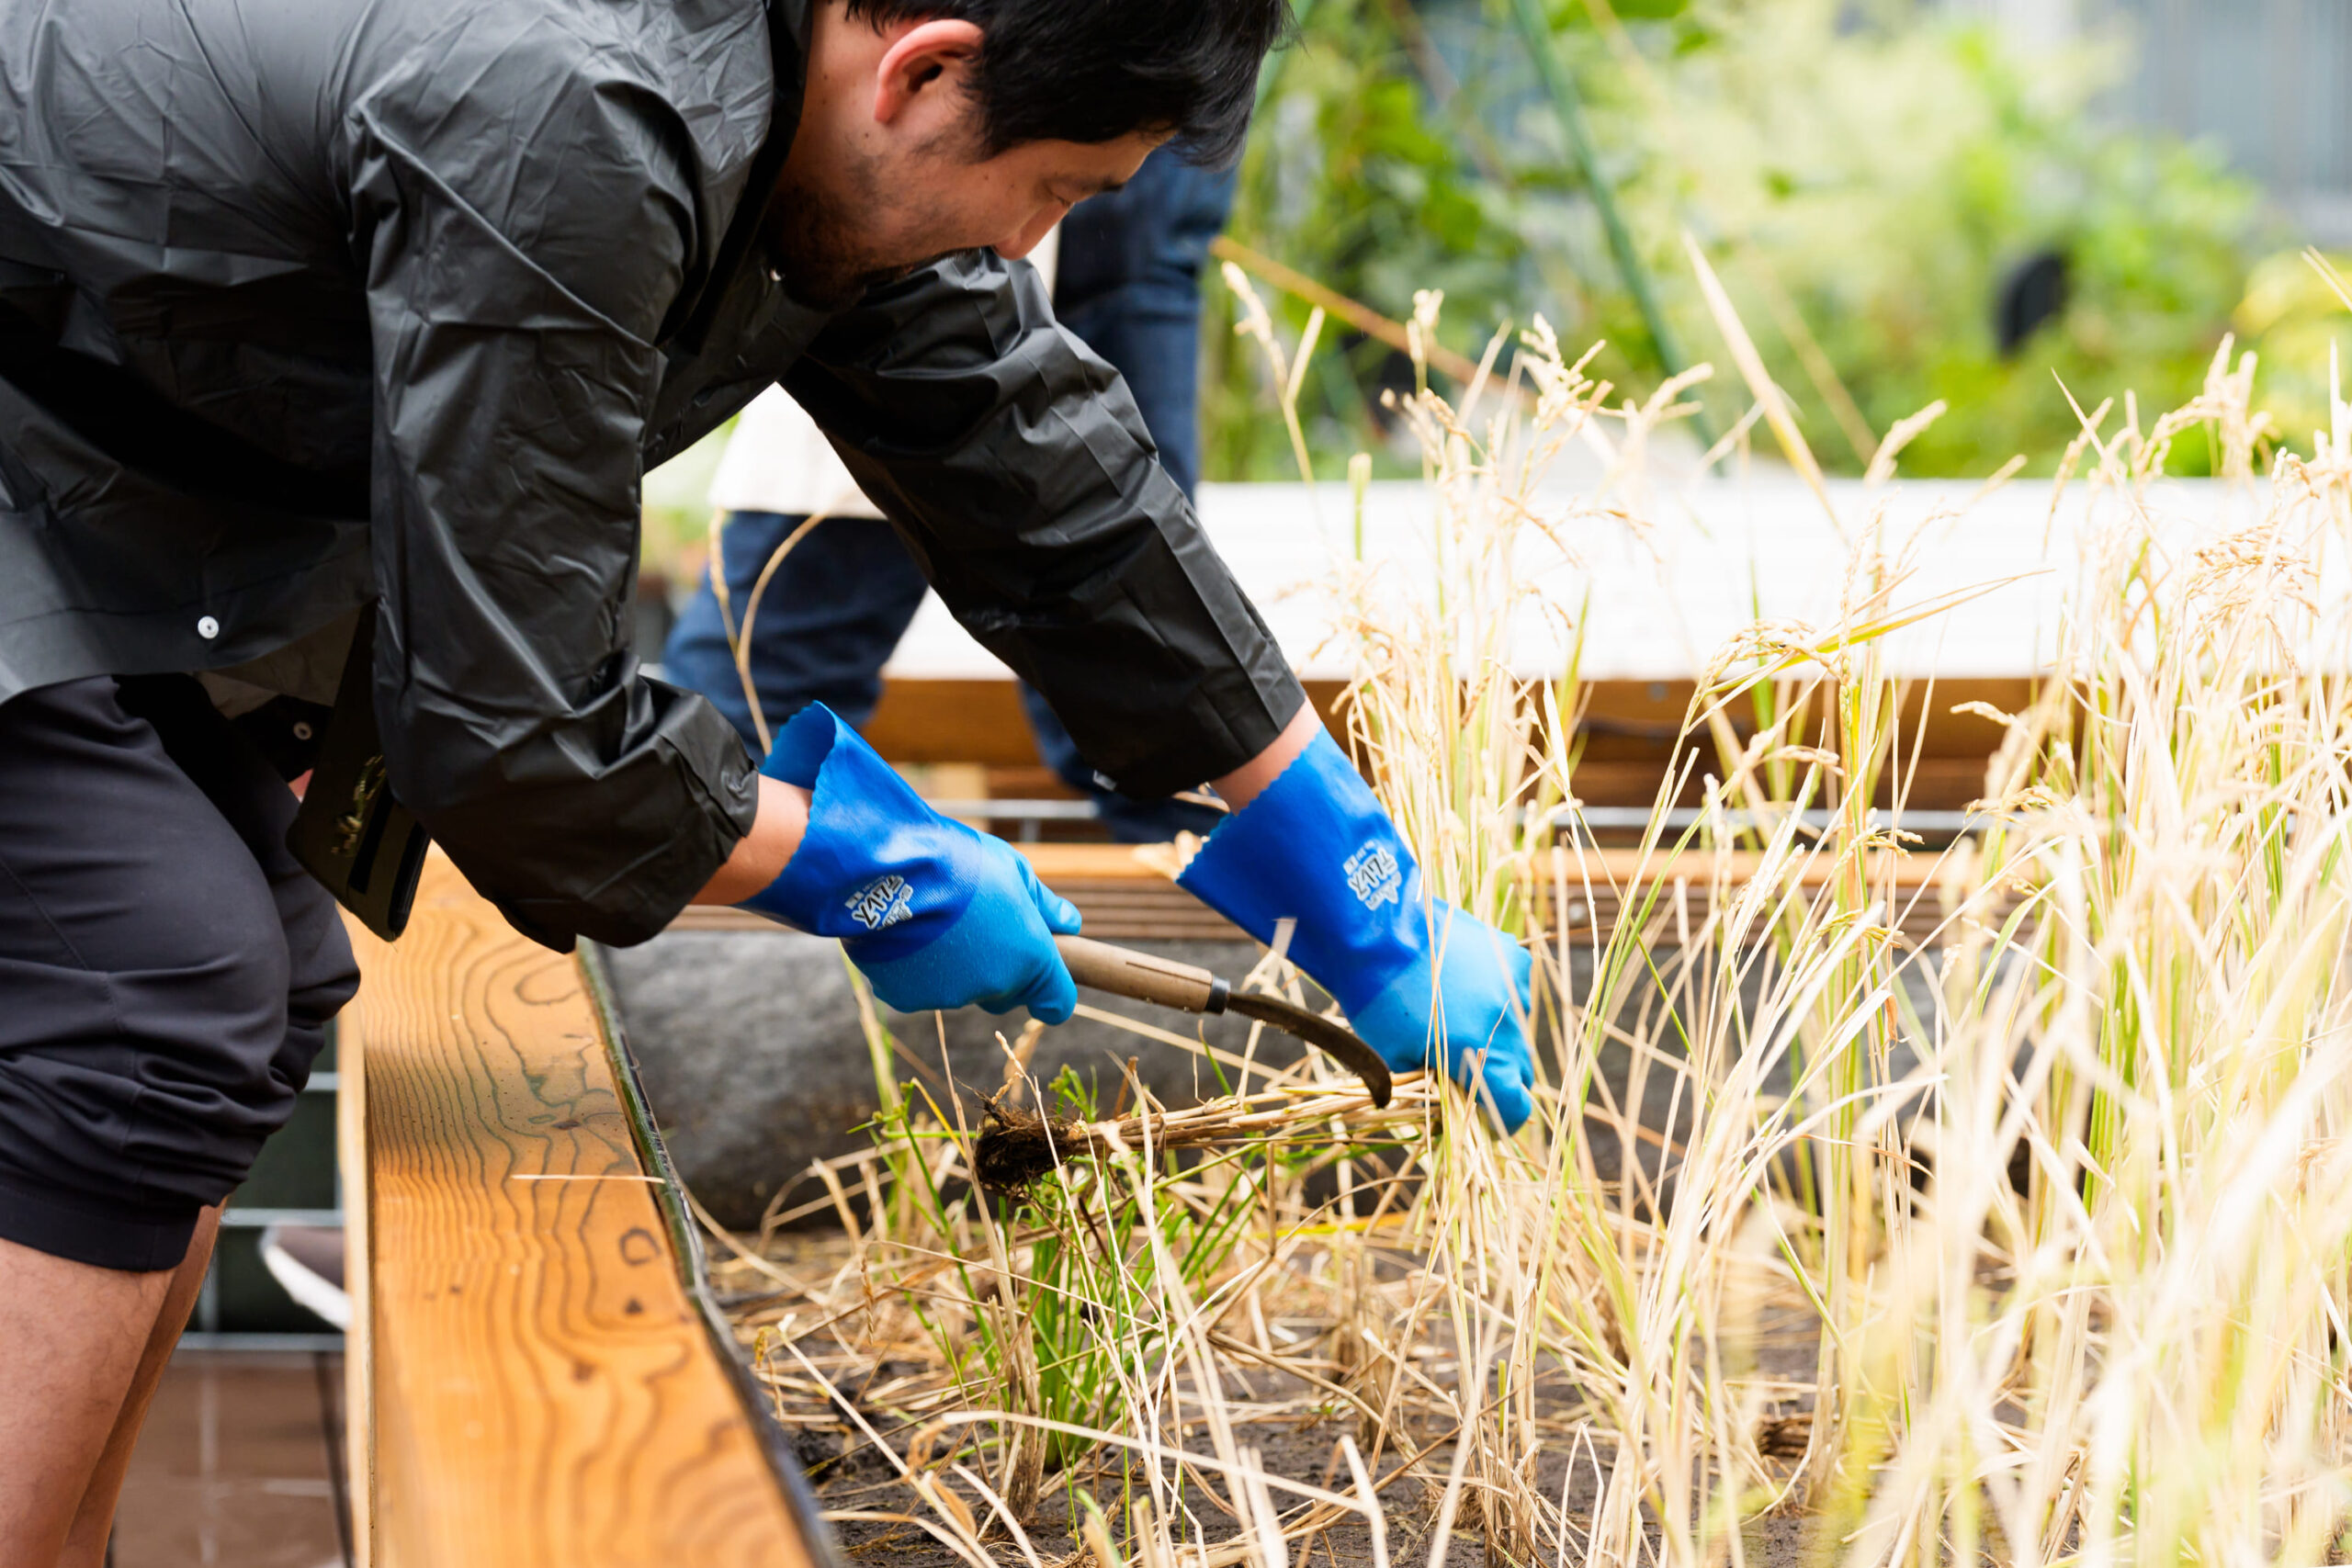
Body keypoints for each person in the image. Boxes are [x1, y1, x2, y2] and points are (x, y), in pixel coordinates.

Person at [0, 3, 1535, 1562]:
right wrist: (862, 867)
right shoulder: (576, 109)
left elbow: (1049, 475)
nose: (1028, 245)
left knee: (256, 964)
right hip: (41, 412)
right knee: (155, 971)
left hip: (107, 441)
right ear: (926, 68)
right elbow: (510, 730)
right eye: (1059, 193)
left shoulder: (818, 130)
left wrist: (1353, 878)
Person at [663, 142, 1236, 840]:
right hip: (999, 126)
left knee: (1149, 671)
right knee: (754, 698)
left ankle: (1201, 852)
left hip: (1129, 135)